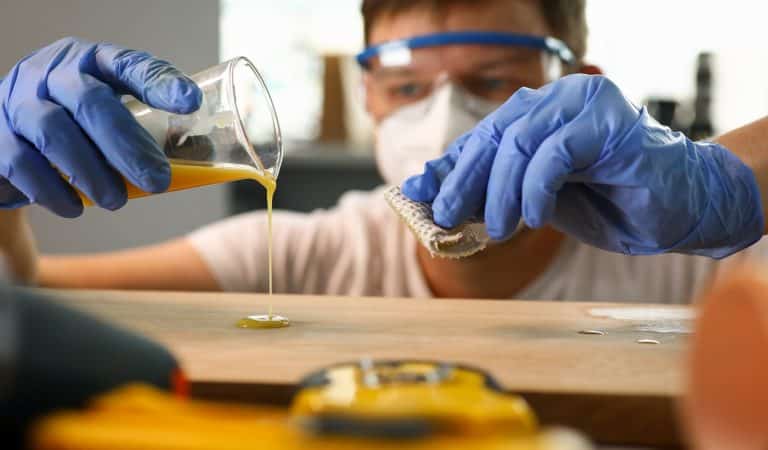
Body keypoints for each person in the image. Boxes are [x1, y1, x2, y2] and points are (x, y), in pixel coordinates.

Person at [1, 0, 767, 303]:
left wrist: (734, 188)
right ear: (367, 100)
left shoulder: (691, 256)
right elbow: (27, 294)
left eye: (491, 81)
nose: (444, 121)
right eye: (405, 90)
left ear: (579, 88)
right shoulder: (311, 260)